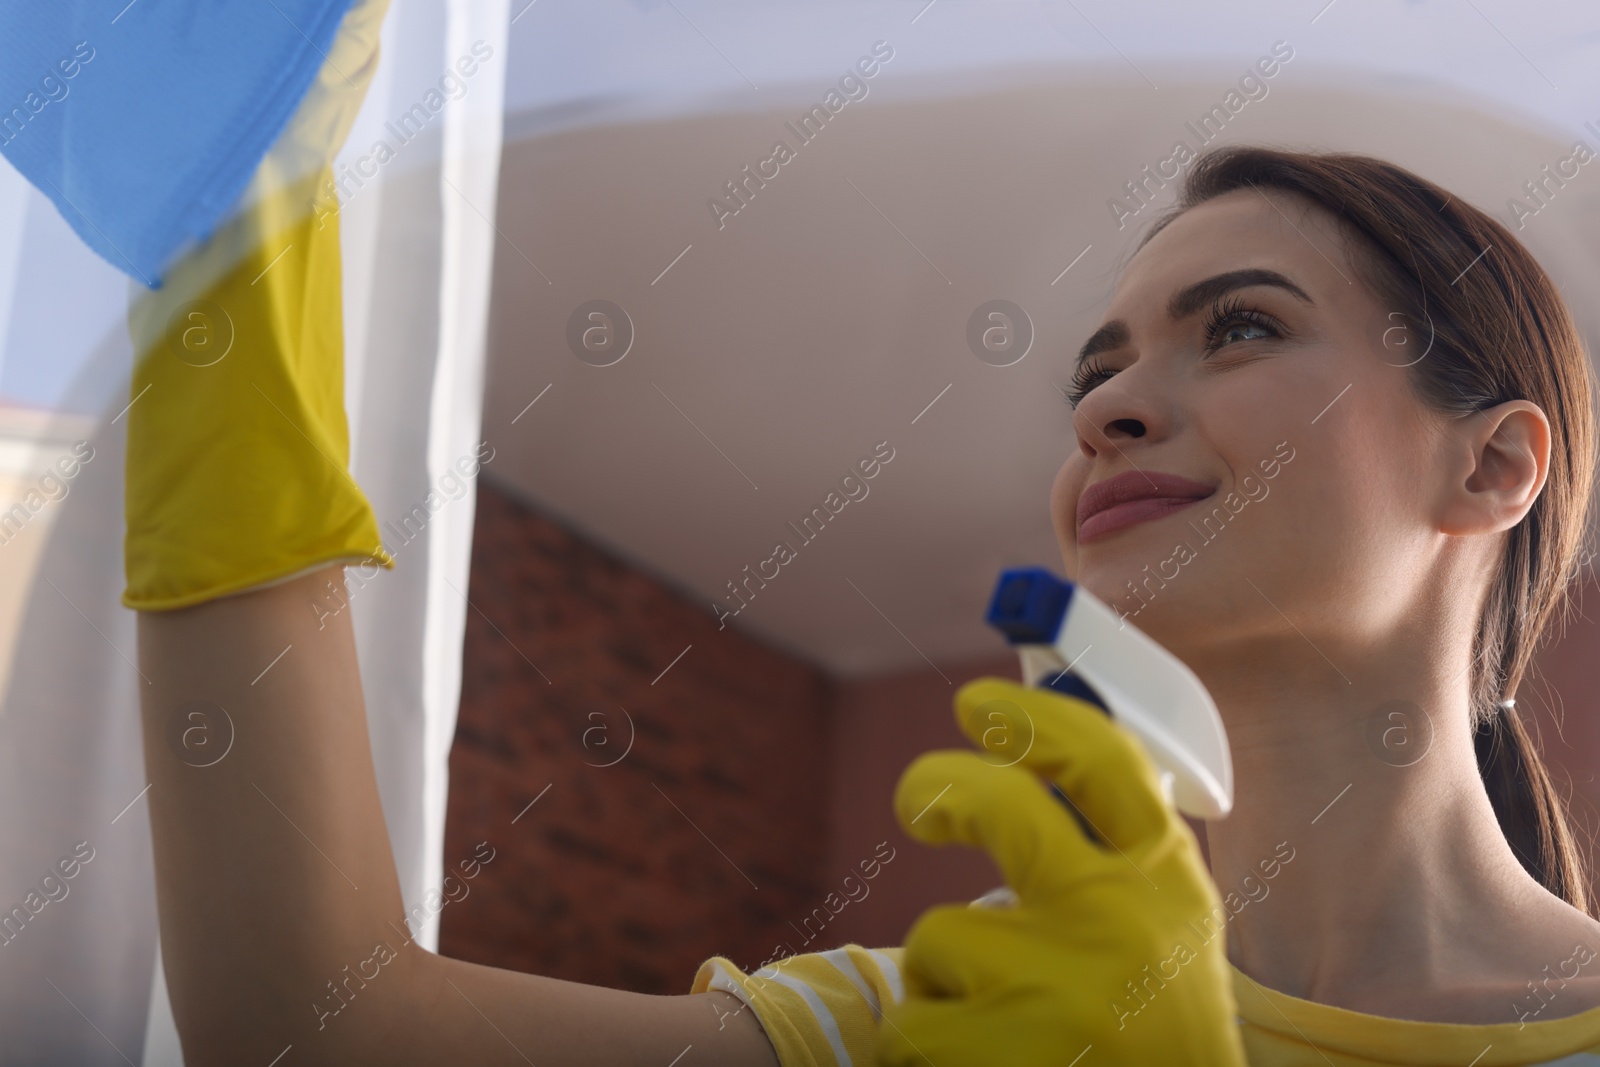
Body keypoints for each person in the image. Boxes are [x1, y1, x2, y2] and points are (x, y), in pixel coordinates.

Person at [125, 6, 1600, 1065]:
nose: (1110, 412)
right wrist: (225, 283)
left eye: (1239, 328)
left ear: (1493, 466)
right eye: (1093, 374)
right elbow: (305, 1022)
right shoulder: (952, 1021)